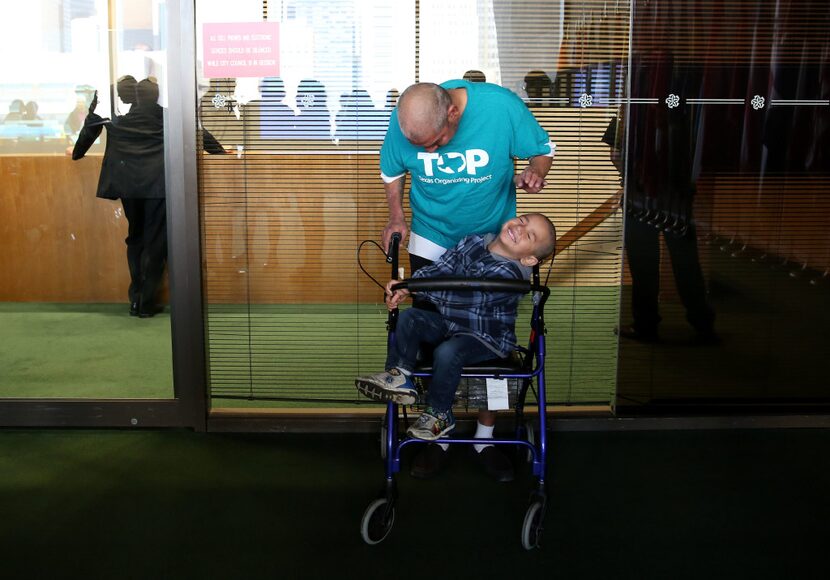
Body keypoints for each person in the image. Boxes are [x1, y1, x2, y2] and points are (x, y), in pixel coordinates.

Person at [379, 80, 556, 481]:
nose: (427, 152)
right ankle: (437, 436)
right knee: (432, 343)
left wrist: (535, 171)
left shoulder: (500, 108)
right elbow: (391, 170)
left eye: (436, 141)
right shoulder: (407, 118)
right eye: (419, 145)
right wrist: (397, 216)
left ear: (454, 115)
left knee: (490, 351)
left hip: (494, 241)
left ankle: (485, 436)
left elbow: (543, 150)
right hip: (432, 238)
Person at [356, 212, 556, 442]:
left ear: (529, 260)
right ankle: (399, 375)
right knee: (410, 318)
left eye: (529, 236)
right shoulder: (472, 242)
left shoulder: (511, 276)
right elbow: (442, 268)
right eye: (522, 220)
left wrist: (416, 288)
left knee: (447, 351)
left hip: (485, 338)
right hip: (451, 323)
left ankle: (440, 414)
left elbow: (466, 297)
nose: (520, 229)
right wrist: (407, 285)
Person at [72, 77, 167, 318]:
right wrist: (217, 152)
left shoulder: (112, 105)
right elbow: (194, 130)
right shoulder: (161, 105)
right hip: (158, 182)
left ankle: (135, 300)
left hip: (126, 182)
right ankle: (146, 302)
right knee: (155, 241)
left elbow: (90, 128)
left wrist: (77, 152)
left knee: (135, 238)